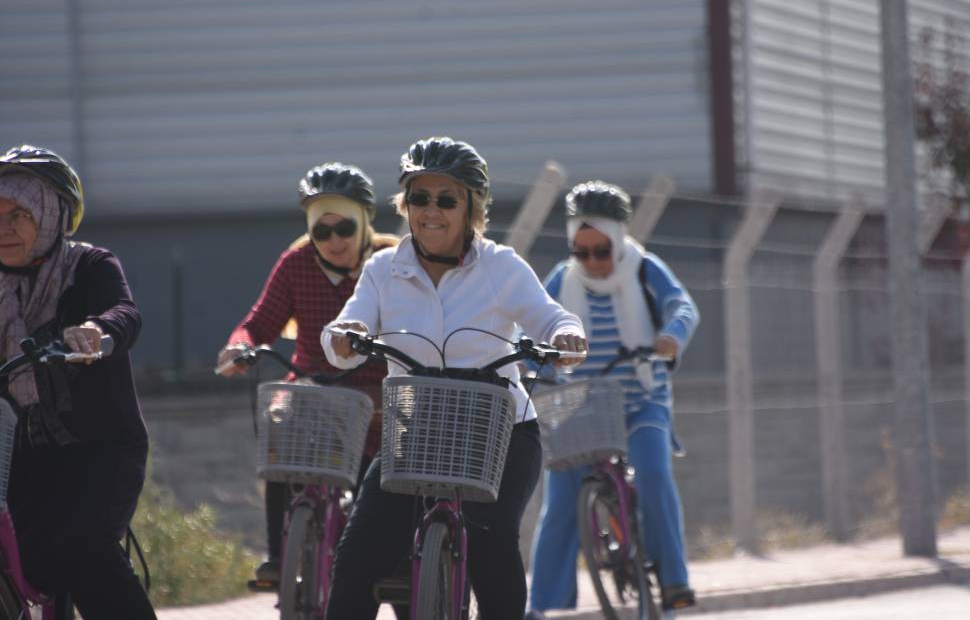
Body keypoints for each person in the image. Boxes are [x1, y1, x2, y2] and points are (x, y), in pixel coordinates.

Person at [320, 136, 587, 619]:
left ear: (471, 209)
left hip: (502, 434)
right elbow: (344, 331)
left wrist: (567, 337)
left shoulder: (501, 266)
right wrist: (345, 335)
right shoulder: (383, 269)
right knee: (357, 556)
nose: (431, 211)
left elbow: (551, 318)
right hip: (416, 433)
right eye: (419, 198)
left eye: (447, 199)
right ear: (405, 205)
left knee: (492, 543)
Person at [216, 162, 397, 584]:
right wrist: (239, 346)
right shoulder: (295, 263)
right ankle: (279, 555)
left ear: (366, 221)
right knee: (280, 424)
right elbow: (259, 323)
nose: (334, 241)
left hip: (380, 391)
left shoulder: (392, 260)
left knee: (392, 479)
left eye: (345, 228)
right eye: (322, 231)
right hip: (317, 388)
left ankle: (398, 558)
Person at [526, 180, 700, 618]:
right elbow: (534, 324)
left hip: (643, 400)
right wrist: (530, 361)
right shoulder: (562, 280)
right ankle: (545, 606)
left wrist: (670, 337)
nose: (591, 262)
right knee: (561, 502)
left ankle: (674, 580)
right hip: (580, 406)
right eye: (581, 252)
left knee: (656, 475)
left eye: (601, 251)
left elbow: (682, 307)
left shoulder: (644, 269)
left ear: (619, 240)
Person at [0, 145, 156, 618]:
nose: (4, 227)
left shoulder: (89, 266)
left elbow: (125, 313)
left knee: (83, 550)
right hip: (20, 456)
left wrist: (97, 331)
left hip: (101, 451)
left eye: (20, 213)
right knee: (23, 562)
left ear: (53, 215)